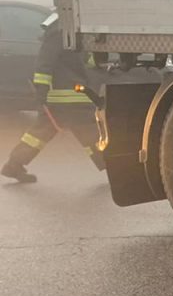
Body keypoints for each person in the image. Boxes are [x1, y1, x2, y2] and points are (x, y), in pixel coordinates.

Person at [2, 13, 103, 183]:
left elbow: (85, 61)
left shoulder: (70, 28)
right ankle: (114, 170)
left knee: (40, 134)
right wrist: (41, 91)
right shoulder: (59, 31)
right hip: (68, 96)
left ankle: (13, 165)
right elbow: (44, 63)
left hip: (66, 96)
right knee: (89, 132)